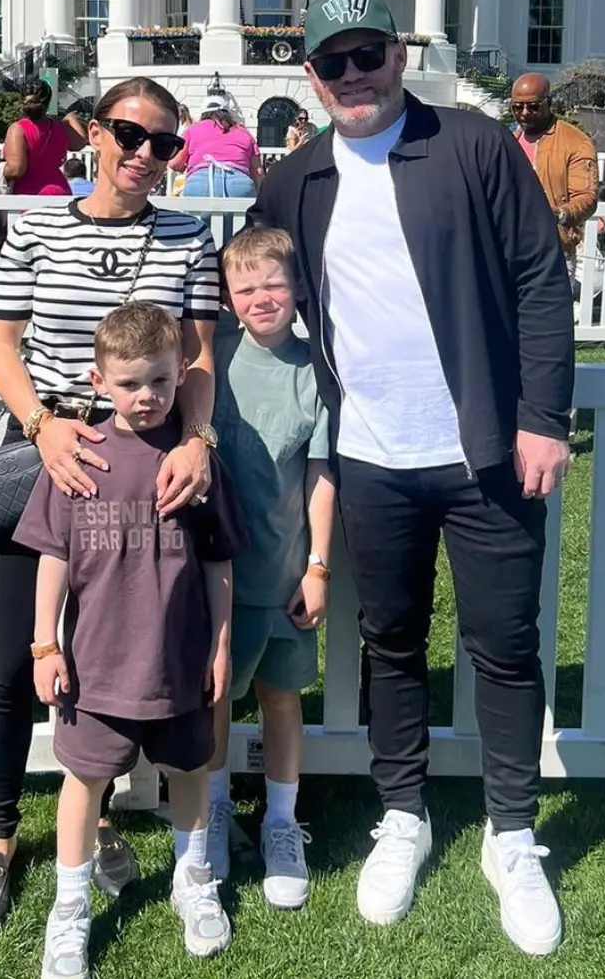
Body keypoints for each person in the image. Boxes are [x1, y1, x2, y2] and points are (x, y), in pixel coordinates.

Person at [248, 0, 572, 956]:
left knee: (502, 643)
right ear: (310, 75)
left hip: (485, 453)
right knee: (388, 638)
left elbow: (537, 280)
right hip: (369, 458)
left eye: (369, 54)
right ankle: (404, 814)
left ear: (398, 53)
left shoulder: (471, 146)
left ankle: (511, 834)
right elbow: (257, 298)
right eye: (333, 62)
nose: (354, 76)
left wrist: (541, 417)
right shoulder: (294, 181)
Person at [0, 76, 221, 938]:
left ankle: (98, 811)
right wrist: (42, 426)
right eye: (128, 133)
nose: (144, 154)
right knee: (16, 661)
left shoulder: (187, 233)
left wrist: (197, 439)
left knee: (116, 653)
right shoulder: (35, 223)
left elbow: (197, 358)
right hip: (53, 457)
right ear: (92, 132)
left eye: (163, 142)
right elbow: (2, 340)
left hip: (146, 465)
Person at [16, 301, 246, 977]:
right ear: (96, 380)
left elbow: (218, 562)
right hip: (94, 666)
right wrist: (43, 644)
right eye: (128, 383)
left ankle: (193, 876)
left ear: (181, 375)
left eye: (159, 381)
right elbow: (52, 556)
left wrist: (221, 644)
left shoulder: (196, 463)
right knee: (84, 779)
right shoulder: (76, 454)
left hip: (178, 660)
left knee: (190, 769)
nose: (145, 397)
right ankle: (69, 908)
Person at [204, 226, 333, 910]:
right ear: (227, 295)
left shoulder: (317, 369)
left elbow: (318, 472)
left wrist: (316, 566)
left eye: (274, 283)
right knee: (217, 696)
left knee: (283, 699)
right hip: (218, 576)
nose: (261, 297)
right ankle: (217, 808)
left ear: (297, 288)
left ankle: (281, 821)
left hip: (284, 573)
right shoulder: (211, 360)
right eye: (245, 286)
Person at [508, 73, 599, 285]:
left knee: (549, 317)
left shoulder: (575, 141)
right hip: (509, 248)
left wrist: (560, 214)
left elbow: (587, 196)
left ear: (549, 102)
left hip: (554, 250)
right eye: (517, 107)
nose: (524, 113)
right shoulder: (508, 138)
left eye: (533, 106)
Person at [1, 80, 87, 197]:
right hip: (59, 190)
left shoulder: (18, 129)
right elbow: (81, 142)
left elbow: (15, 170)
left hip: (28, 194)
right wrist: (71, 118)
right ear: (48, 101)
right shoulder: (61, 127)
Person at [177, 99, 262, 198]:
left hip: (200, 182)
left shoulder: (192, 130)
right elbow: (257, 171)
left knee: (195, 211)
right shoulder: (244, 132)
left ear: (203, 114)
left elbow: (175, 163)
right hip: (239, 183)